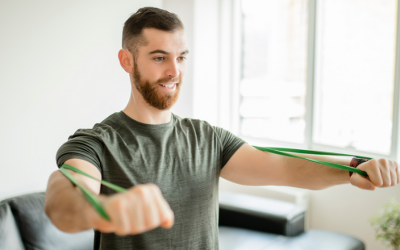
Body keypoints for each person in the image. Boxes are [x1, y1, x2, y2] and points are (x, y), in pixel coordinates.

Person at [44, 6, 400, 250]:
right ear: (127, 61)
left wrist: (352, 167)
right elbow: (64, 196)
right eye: (159, 57)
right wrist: (101, 210)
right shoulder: (97, 143)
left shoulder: (207, 137)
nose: (174, 71)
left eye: (181, 57)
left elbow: (285, 167)